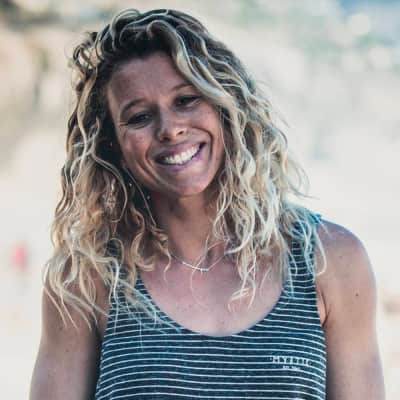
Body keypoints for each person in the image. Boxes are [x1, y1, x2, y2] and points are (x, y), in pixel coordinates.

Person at [29, 8, 385, 400]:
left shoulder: (330, 261)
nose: (170, 129)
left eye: (186, 100)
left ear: (226, 108)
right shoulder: (86, 278)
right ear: (112, 145)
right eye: (140, 116)